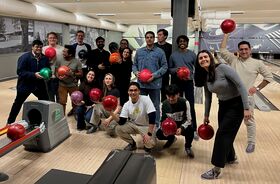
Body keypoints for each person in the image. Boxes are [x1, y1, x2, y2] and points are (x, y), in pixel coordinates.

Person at [194, 50, 251, 180]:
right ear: (198, 62)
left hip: (236, 105)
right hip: (223, 105)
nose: (203, 59)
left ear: (210, 58)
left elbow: (241, 85)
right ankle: (231, 157)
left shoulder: (223, 68)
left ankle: (216, 169)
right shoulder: (205, 76)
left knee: (222, 134)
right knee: (226, 132)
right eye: (200, 58)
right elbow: (208, 97)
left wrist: (246, 108)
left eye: (205, 56)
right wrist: (206, 115)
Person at [220, 33, 273, 153]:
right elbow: (222, 50)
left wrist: (257, 88)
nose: (244, 51)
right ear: (238, 50)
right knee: (228, 121)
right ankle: (228, 142)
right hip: (231, 97)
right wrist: (226, 35)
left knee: (249, 121)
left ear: (250, 50)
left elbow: (269, 77)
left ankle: (251, 142)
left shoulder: (257, 63)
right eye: (241, 49)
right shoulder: (233, 59)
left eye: (246, 49)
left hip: (247, 98)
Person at [7, 40, 50, 124]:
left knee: (45, 102)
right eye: (37, 47)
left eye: (40, 47)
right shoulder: (24, 57)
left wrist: (47, 75)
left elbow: (47, 69)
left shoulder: (44, 58)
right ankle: (9, 122)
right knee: (18, 103)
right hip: (25, 85)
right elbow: (20, 72)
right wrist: (34, 75)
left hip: (39, 85)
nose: (39, 49)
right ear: (32, 47)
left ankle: (43, 121)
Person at [132, 31, 168, 127]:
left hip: (154, 84)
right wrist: (136, 72)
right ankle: (140, 123)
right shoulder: (139, 51)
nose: (149, 39)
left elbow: (165, 66)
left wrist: (154, 75)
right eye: (147, 37)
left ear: (154, 38)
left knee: (155, 106)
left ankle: (156, 125)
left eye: (151, 37)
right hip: (141, 84)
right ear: (145, 38)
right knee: (140, 104)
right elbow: (134, 65)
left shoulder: (160, 52)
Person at [112, 82, 157, 152]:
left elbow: (152, 116)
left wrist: (149, 134)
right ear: (128, 92)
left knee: (150, 143)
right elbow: (121, 122)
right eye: (131, 90)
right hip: (134, 125)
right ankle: (132, 144)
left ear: (139, 91)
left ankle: (147, 146)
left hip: (146, 126)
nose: (133, 92)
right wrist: (111, 112)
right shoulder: (127, 104)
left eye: (135, 90)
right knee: (118, 129)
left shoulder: (145, 99)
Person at [169, 35, 198, 140]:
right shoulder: (173, 55)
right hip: (177, 83)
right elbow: (169, 69)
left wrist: (190, 76)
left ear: (187, 42)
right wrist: (176, 70)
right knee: (177, 105)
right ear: (178, 43)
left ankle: (194, 129)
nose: (182, 42)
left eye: (184, 41)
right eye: (180, 41)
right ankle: (176, 127)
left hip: (188, 82)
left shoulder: (192, 54)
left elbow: (197, 68)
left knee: (190, 105)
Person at [156, 84, 195, 158]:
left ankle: (188, 147)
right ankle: (171, 138)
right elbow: (162, 120)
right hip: (169, 127)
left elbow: (189, 119)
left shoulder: (185, 102)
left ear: (178, 94)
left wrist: (182, 128)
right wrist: (164, 130)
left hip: (181, 126)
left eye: (173, 96)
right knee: (159, 134)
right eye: (168, 96)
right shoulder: (163, 104)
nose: (170, 99)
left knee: (190, 130)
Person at [56, 45, 83, 115]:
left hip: (73, 85)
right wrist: (58, 76)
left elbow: (81, 74)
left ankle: (76, 115)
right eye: (63, 51)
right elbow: (56, 71)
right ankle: (62, 117)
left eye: (65, 52)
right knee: (62, 102)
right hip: (62, 85)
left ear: (70, 54)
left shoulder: (77, 62)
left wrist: (72, 73)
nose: (63, 52)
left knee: (75, 102)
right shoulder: (59, 60)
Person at [43, 32, 64, 102]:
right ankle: (51, 111)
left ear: (57, 39)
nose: (52, 39)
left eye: (54, 38)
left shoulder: (62, 49)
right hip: (47, 76)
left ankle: (59, 112)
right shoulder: (43, 49)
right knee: (49, 97)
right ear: (47, 39)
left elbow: (64, 62)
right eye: (50, 38)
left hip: (59, 76)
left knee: (59, 97)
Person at [155, 29, 172, 102]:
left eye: (160, 35)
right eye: (157, 35)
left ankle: (163, 109)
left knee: (164, 92)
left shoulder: (170, 47)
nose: (158, 36)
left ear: (165, 36)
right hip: (154, 72)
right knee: (154, 93)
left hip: (164, 73)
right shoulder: (154, 46)